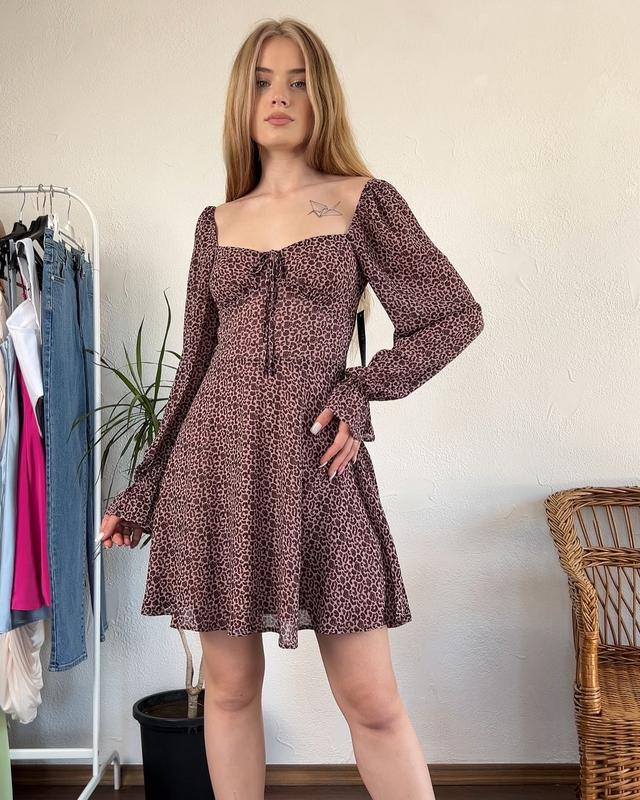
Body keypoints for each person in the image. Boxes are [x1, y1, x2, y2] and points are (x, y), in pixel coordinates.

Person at [99, 17, 484, 800]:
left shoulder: (363, 202)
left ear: (322, 96)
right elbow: (194, 369)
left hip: (318, 470)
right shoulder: (217, 224)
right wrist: (143, 490)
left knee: (372, 702)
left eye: (299, 81)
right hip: (216, 472)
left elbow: (451, 314)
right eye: (264, 81)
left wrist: (360, 389)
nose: (280, 96)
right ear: (242, 101)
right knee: (230, 693)